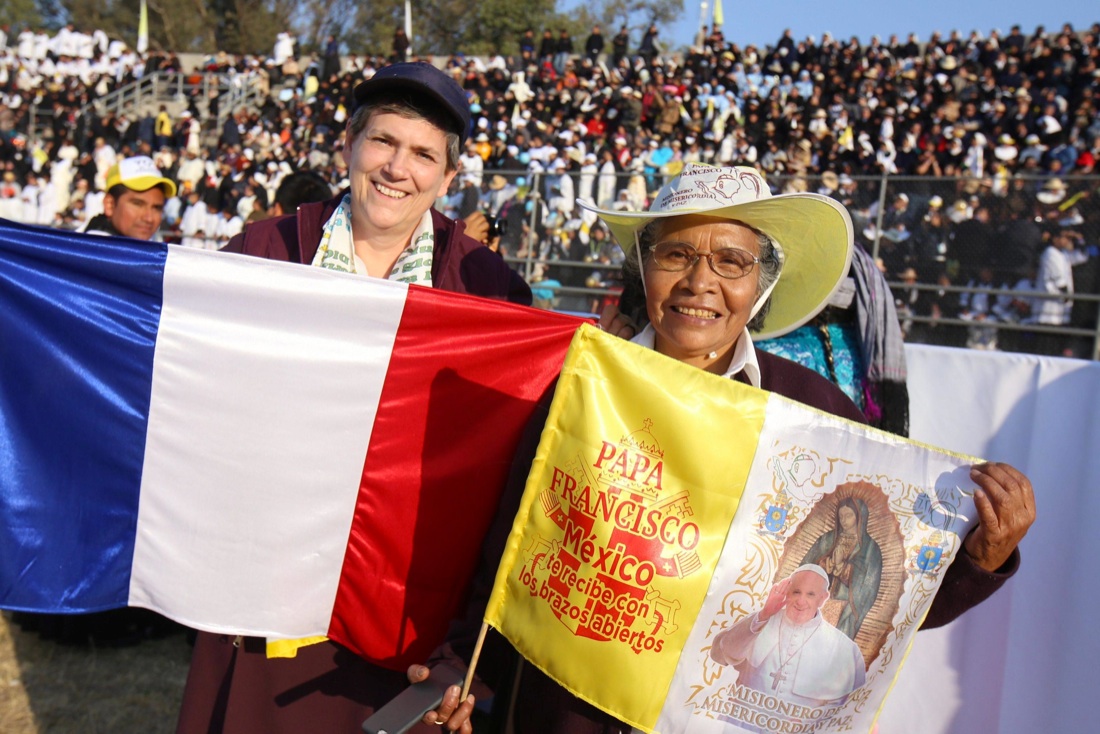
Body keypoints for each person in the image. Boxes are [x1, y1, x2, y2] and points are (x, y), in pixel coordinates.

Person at [420, 163, 1035, 732]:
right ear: (644, 268)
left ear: (761, 285)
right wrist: (464, 674)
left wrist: (982, 558)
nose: (700, 282)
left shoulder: (815, 413)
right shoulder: (581, 384)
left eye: (731, 262)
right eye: (676, 254)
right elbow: (509, 552)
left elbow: (878, 606)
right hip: (562, 712)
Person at [176, 61, 531, 734]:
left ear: (449, 177)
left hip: (410, 612)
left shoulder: (490, 288)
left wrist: (466, 652)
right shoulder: (262, 252)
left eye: (423, 154)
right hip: (264, 592)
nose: (398, 168)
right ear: (349, 145)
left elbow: (507, 471)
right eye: (383, 142)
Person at [710, 565, 866, 705]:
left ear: (822, 598)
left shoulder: (845, 648)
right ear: (787, 591)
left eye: (810, 594)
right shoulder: (760, 621)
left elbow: (852, 705)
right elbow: (721, 655)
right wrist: (764, 614)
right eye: (796, 592)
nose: (801, 601)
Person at [800, 498, 882, 640]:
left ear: (859, 517)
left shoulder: (870, 548)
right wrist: (825, 564)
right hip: (819, 601)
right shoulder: (827, 539)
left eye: (848, 515)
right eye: (841, 516)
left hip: (844, 606)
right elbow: (807, 566)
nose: (844, 520)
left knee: (830, 643)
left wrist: (843, 568)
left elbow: (868, 584)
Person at [83, 155, 176, 240]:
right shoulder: (90, 250)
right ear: (109, 205)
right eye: (138, 204)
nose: (149, 218)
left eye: (157, 208)